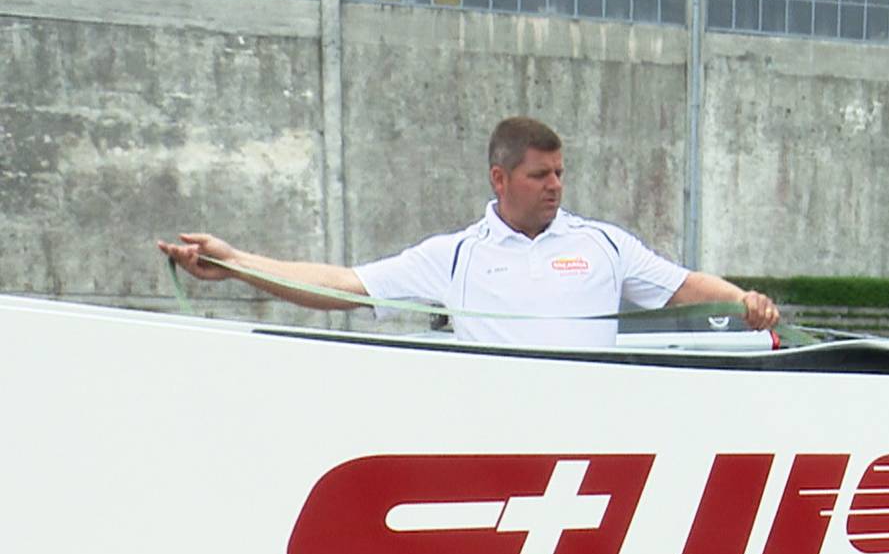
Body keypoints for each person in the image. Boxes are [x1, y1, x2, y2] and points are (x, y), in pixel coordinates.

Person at [157, 116, 778, 346]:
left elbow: (683, 287)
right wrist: (238, 261)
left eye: (560, 173)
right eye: (539, 175)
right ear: (500, 177)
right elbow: (343, 285)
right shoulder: (453, 256)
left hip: (599, 441)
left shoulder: (604, 244)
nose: (556, 186)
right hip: (499, 442)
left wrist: (743, 302)